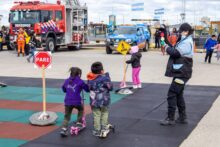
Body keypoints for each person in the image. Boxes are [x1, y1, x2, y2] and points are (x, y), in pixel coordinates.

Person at [160, 23, 194, 126]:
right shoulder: (184, 40)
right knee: (178, 94)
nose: (180, 33)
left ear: (186, 31)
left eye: (181, 31)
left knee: (172, 94)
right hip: (181, 72)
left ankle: (170, 118)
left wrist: (165, 47)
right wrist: (165, 37)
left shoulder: (187, 42)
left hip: (182, 73)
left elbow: (175, 53)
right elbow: (173, 48)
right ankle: (182, 117)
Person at [60, 67, 89, 136]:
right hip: (77, 101)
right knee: (81, 109)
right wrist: (88, 84)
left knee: (67, 117)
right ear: (79, 74)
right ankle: (79, 122)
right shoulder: (80, 81)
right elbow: (87, 90)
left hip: (68, 101)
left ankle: (63, 129)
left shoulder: (67, 81)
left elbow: (64, 90)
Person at [87, 62, 113, 136]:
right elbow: (110, 88)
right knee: (105, 112)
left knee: (96, 114)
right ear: (102, 71)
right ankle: (104, 128)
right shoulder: (105, 78)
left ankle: (97, 130)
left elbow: (88, 88)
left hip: (94, 101)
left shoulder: (90, 78)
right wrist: (108, 77)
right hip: (104, 100)